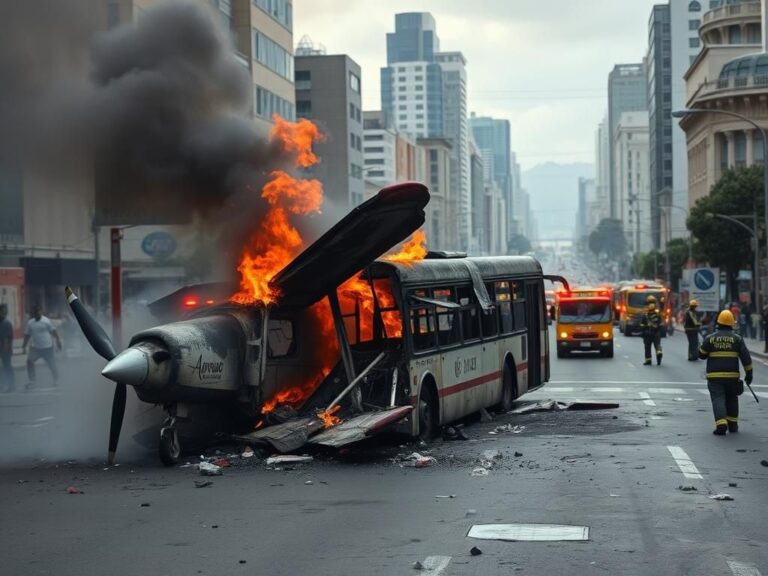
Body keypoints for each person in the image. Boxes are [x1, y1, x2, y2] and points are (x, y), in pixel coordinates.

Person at [698, 310, 753, 435]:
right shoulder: (737, 339)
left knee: (718, 398)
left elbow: (701, 355)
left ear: (718, 323)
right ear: (731, 324)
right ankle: (733, 425)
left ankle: (721, 423)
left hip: (715, 377)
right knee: (732, 398)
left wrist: (701, 348)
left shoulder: (710, 338)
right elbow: (746, 358)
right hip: (732, 377)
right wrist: (749, 374)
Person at [22, 305, 62, 389]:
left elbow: (54, 331)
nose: (37, 314)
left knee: (51, 364)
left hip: (47, 347)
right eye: (36, 312)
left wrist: (58, 342)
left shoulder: (46, 321)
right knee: (30, 361)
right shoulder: (30, 323)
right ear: (33, 314)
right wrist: (24, 346)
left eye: (39, 312)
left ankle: (56, 379)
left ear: (41, 312)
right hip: (36, 348)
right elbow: (27, 335)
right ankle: (32, 381)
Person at [640, 295, 663, 366]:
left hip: (648, 334)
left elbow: (641, 325)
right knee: (657, 345)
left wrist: (644, 329)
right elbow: (661, 324)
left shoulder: (645, 315)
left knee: (647, 347)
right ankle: (659, 355)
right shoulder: (658, 314)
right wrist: (659, 331)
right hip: (656, 333)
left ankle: (648, 360)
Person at [0, 304, 14, 392]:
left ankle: (11, 385)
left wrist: (4, 352)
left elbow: (6, 339)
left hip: (5, 350)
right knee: (5, 367)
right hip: (3, 349)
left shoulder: (5, 323)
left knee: (7, 367)